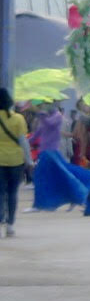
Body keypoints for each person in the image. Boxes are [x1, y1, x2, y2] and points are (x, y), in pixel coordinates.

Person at [0, 88, 28, 238]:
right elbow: (23, 141)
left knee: (0, 192)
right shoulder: (18, 118)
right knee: (12, 193)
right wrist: (29, 160)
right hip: (16, 161)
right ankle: (10, 225)